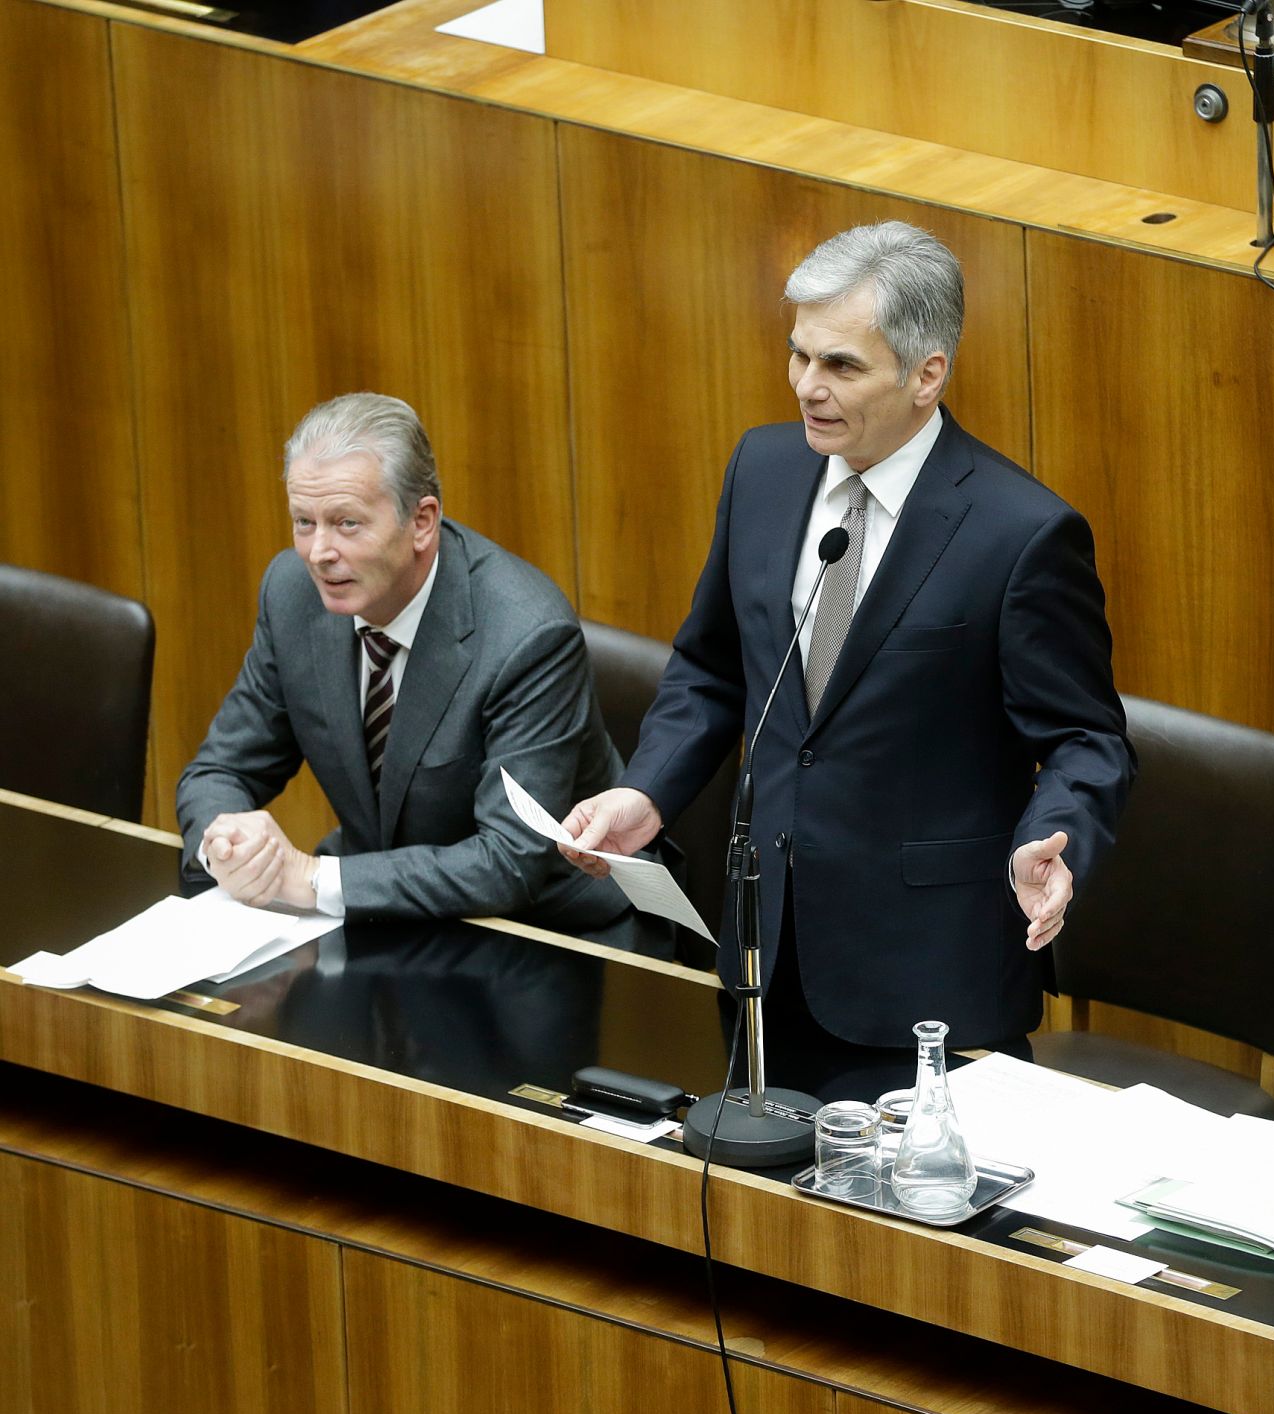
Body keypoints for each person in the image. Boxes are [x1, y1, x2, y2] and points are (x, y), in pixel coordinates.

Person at [558, 221, 1134, 1055]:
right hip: (763, 944)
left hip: (928, 977)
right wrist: (647, 793)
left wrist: (1056, 839)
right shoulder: (762, 469)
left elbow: (1087, 739)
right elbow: (714, 669)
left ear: (927, 374)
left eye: (841, 365)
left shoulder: (1022, 534)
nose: (806, 386)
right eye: (799, 354)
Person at [177, 392, 641, 944]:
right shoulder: (292, 595)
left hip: (539, 930)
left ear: (422, 522)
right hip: (382, 911)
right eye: (304, 522)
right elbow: (218, 773)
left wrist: (312, 878)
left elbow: (509, 859)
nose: (319, 552)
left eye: (346, 523)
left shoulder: (527, 634)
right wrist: (227, 843)